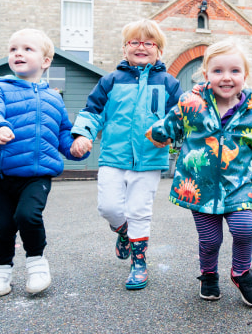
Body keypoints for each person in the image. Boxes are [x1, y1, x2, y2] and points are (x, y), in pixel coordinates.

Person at [146, 39, 252, 307]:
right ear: (206, 75)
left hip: (239, 186)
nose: (227, 77)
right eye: (218, 71)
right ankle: (209, 274)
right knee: (211, 239)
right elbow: (171, 125)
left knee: (245, 229)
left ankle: (240, 272)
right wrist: (157, 133)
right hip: (198, 186)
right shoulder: (191, 104)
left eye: (234, 71)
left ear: (245, 76)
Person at [69, 19, 183, 290]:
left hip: (149, 159)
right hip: (113, 156)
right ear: (124, 48)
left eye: (148, 43)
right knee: (108, 207)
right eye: (134, 41)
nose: (141, 47)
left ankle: (139, 263)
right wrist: (83, 135)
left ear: (159, 51)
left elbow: (180, 116)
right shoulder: (110, 81)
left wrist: (170, 134)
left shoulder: (168, 83)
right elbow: (92, 111)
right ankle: (122, 231)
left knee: (139, 211)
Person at [0, 28, 89, 297]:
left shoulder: (54, 98)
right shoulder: (0, 88)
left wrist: (76, 147)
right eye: (14, 49)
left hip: (37, 175)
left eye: (28, 49)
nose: (18, 53)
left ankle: (37, 263)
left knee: (28, 216)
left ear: (45, 61)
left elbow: (62, 133)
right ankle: (1, 271)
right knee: (2, 226)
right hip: (2, 175)